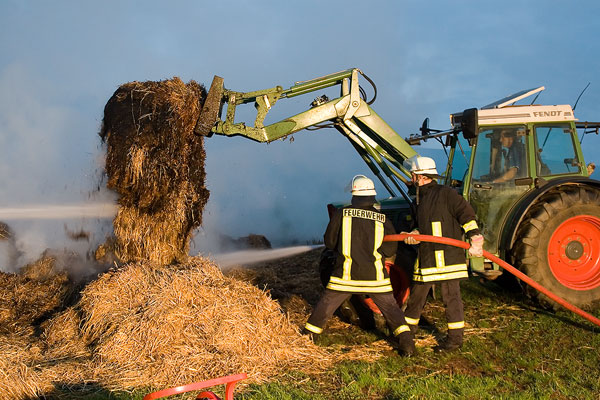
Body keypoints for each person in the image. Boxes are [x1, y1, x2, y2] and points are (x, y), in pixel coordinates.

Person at [303, 175, 415, 356]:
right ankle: (408, 345)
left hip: (345, 277)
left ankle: (307, 338)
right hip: (375, 278)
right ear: (372, 196)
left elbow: (330, 243)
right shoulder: (382, 219)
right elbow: (390, 249)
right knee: (393, 311)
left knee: (325, 307)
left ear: (353, 195)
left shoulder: (342, 214)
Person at [401, 156, 484, 352]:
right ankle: (406, 336)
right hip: (427, 258)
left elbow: (466, 215)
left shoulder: (447, 194)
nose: (411, 179)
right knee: (416, 298)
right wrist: (414, 234)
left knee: (451, 299)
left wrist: (475, 237)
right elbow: (420, 225)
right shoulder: (419, 199)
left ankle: (455, 340)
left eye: (413, 175)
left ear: (420, 176)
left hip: (448, 258)